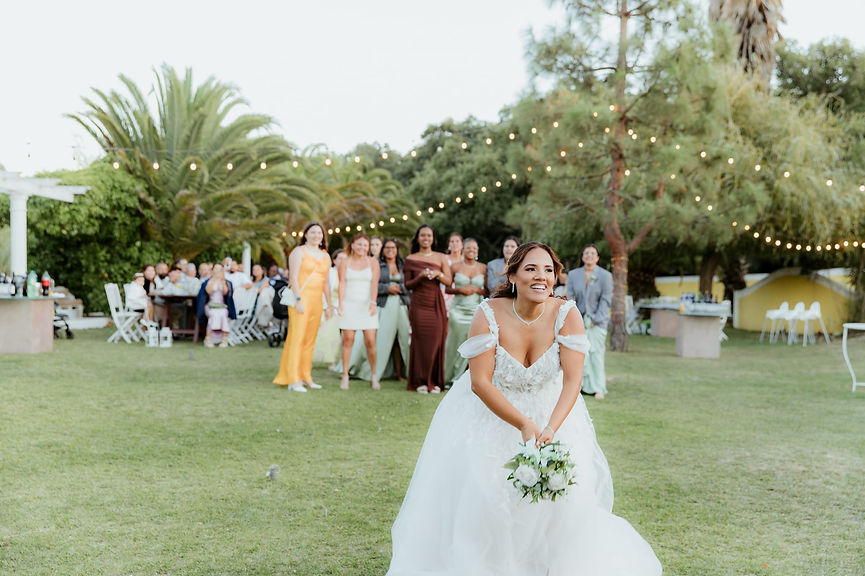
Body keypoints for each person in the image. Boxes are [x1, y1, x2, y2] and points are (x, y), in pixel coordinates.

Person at [386, 242, 661, 575]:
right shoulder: (487, 313)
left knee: (563, 501)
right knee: (486, 495)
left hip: (554, 415)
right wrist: (523, 424)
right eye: (531, 269)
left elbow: (573, 381)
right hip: (493, 412)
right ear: (512, 274)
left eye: (548, 270)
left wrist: (550, 428)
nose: (541, 277)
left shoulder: (567, 314)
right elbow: (481, 383)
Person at [273, 222, 333, 392]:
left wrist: (329, 304)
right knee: (296, 338)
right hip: (301, 299)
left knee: (309, 340)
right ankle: (293, 379)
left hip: (317, 301)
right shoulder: (298, 252)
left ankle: (306, 376)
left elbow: (327, 283)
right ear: (305, 235)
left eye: (319, 233)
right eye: (312, 232)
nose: (316, 236)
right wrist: (298, 299)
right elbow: (293, 277)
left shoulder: (325, 256)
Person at [403, 224, 452, 394]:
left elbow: (449, 281)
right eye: (422, 235)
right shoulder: (411, 258)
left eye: (429, 236)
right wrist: (420, 276)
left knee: (436, 342)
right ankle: (420, 382)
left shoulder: (441, 258)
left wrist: (438, 275)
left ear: (433, 239)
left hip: (435, 304)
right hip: (418, 304)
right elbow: (407, 285)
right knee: (420, 342)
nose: (426, 238)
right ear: (417, 238)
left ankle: (435, 381)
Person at [353, 238, 410, 382]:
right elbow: (370, 285)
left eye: (393, 247)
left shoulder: (403, 265)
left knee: (401, 339)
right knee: (382, 339)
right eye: (387, 248)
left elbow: (410, 284)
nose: (390, 250)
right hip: (384, 305)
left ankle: (401, 373)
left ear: (397, 250)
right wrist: (387, 288)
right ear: (383, 250)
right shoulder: (377, 264)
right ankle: (373, 371)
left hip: (402, 305)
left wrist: (400, 289)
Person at [566, 244, 613, 399]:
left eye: (593, 253)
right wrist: (575, 318)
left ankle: (599, 388)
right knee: (578, 354)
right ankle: (580, 386)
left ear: (597, 258)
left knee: (596, 354)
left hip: (597, 322)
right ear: (582, 257)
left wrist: (596, 319)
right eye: (586, 253)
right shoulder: (573, 275)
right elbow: (570, 297)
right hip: (577, 320)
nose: (589, 256)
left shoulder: (605, 276)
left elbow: (606, 300)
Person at [337, 234, 380, 390]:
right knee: (348, 339)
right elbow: (342, 283)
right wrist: (340, 303)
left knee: (370, 341)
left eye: (365, 245)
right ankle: (345, 375)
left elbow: (374, 284)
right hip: (349, 304)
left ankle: (373, 375)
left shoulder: (373, 263)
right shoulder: (345, 262)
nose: (362, 247)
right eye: (359, 244)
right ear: (353, 245)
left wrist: (373, 302)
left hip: (367, 305)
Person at [443, 238, 486, 385]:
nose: (471, 251)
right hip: (457, 310)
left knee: (472, 342)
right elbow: (447, 288)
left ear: (478, 251)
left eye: (474, 248)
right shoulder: (455, 267)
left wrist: (476, 289)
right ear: (463, 249)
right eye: (468, 248)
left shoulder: (483, 268)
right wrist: (459, 289)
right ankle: (447, 376)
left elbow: (487, 290)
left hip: (475, 310)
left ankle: (461, 378)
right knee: (454, 342)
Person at [314, 249, 346, 368]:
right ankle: (331, 361)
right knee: (331, 334)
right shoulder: (330, 273)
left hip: (344, 308)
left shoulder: (348, 273)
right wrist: (327, 307)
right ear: (334, 260)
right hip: (331, 307)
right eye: (340, 259)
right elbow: (323, 289)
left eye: (345, 259)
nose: (343, 261)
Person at [199, 262, 234, 347]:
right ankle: (208, 338)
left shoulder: (226, 282)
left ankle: (224, 339)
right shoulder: (208, 281)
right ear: (213, 270)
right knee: (214, 314)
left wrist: (222, 281)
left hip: (221, 305)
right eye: (216, 268)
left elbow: (226, 293)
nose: (218, 271)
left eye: (220, 269)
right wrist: (214, 280)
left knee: (223, 313)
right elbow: (208, 291)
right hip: (210, 305)